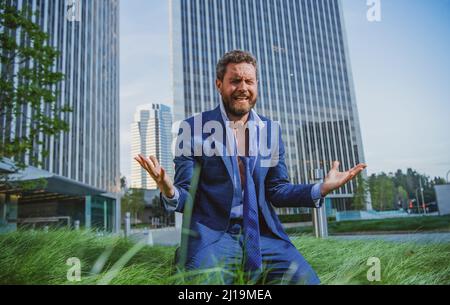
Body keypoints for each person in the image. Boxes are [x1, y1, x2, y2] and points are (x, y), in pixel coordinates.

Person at [135, 50, 367, 285]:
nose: (242, 87)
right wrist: (169, 189)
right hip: (214, 236)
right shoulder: (193, 129)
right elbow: (186, 196)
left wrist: (320, 189)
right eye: (235, 80)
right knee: (197, 284)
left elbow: (277, 190)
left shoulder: (271, 131)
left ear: (256, 84)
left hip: (263, 235)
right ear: (219, 84)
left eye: (249, 81)